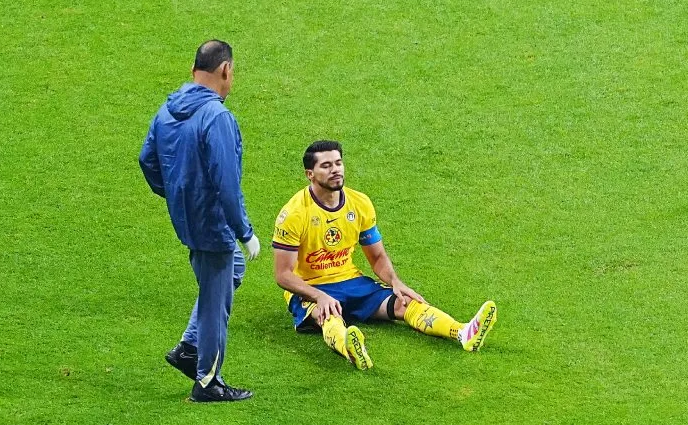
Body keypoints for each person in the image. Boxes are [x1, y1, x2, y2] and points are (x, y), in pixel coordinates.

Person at [272, 140, 497, 370]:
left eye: (339, 163)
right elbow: (283, 275)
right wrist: (318, 296)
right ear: (310, 174)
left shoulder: (360, 204)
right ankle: (349, 348)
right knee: (328, 316)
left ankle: (462, 332)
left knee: (405, 302)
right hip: (311, 287)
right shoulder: (294, 214)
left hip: (351, 282)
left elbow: (377, 257)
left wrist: (395, 282)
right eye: (326, 166)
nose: (336, 170)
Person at [139, 39, 260, 401]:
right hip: (213, 225)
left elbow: (147, 160)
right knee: (215, 300)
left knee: (228, 272)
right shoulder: (217, 117)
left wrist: (178, 196)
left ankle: (189, 348)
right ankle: (208, 382)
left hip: (188, 220)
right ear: (225, 70)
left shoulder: (166, 110)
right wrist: (246, 231)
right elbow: (226, 184)